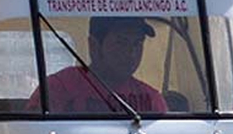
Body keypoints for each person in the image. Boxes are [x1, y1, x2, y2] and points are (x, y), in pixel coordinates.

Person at [27, 16, 167, 114]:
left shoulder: (151, 98)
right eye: (121, 43)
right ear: (94, 46)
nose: (131, 53)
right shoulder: (57, 88)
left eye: (138, 43)